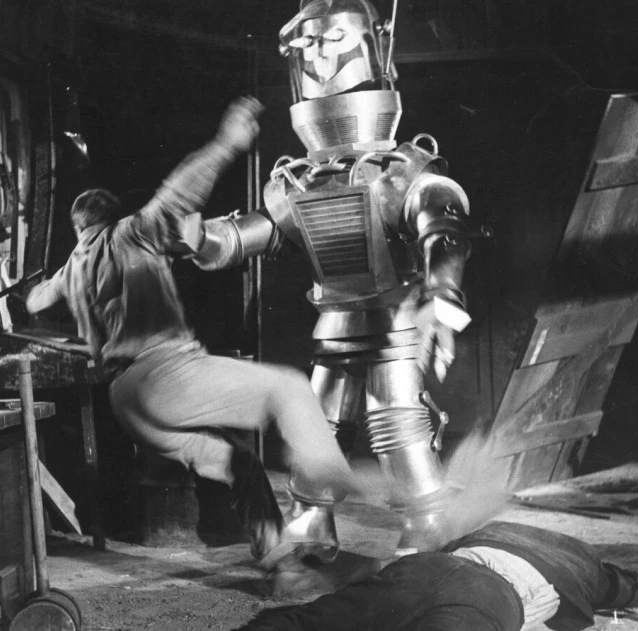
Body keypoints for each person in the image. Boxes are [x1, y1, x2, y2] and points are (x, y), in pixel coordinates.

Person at [179, 0, 476, 559]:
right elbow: (256, 233)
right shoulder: (301, 181)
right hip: (334, 325)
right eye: (307, 44)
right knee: (315, 423)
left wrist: (441, 296)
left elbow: (443, 226)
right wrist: (203, 238)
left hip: (393, 325)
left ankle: (428, 518)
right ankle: (313, 517)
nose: (318, 56)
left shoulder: (401, 171)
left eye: (332, 40)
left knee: (396, 421)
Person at [25, 96, 358, 569]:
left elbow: (36, 300)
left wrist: (25, 290)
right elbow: (175, 196)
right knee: (289, 388)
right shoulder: (129, 233)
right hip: (164, 376)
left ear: (78, 226)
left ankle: (274, 553)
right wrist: (226, 143)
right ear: (110, 217)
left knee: (239, 462)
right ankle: (341, 484)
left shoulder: (70, 269)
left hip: (125, 400)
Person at [234, 520, 638, 631]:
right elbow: (630, 587)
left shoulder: (489, 530)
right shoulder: (582, 562)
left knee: (307, 622)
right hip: (490, 594)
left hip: (428, 571)